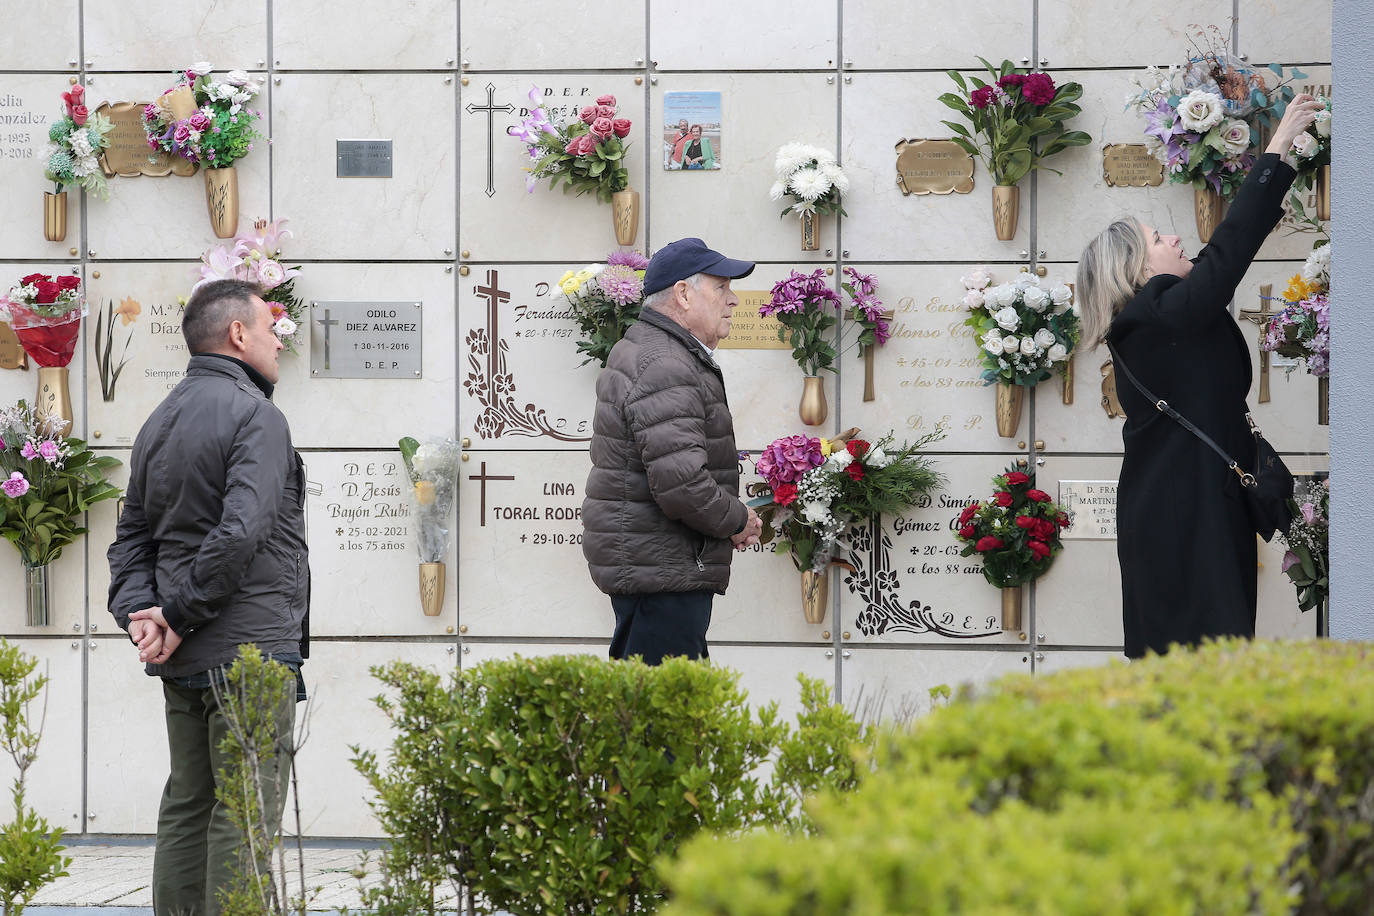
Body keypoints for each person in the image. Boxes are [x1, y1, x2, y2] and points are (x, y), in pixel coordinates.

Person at [1075, 94, 1324, 659]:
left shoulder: (1162, 318)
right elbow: (1226, 255)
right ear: (1138, 269)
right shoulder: (1151, 314)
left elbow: (1215, 260)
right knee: (1198, 666)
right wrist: (1278, 148)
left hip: (1192, 510)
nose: (1177, 239)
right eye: (1160, 239)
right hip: (1180, 521)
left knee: (1210, 660)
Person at [107, 278, 309, 916]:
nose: (280, 340)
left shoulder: (158, 419)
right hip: (247, 652)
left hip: (183, 655)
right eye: (270, 329)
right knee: (243, 810)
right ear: (238, 335)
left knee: (188, 803)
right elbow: (242, 531)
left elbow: (130, 539)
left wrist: (146, 618)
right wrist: (171, 614)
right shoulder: (258, 416)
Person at [582, 238, 763, 664]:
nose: (733, 300)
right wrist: (737, 519)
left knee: (655, 712)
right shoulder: (665, 362)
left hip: (659, 568)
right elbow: (682, 483)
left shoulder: (658, 352)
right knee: (659, 719)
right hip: (661, 574)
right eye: (721, 288)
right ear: (684, 294)